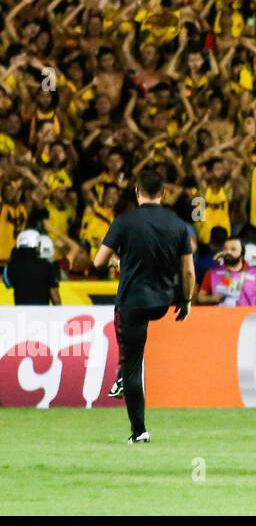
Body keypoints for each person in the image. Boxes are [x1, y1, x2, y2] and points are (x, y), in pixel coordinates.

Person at [93, 168, 194, 444]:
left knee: (133, 364)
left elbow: (98, 262)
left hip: (133, 303)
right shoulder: (178, 224)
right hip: (163, 301)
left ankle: (139, 430)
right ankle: (123, 373)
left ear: (137, 192)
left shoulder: (124, 221)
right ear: (162, 193)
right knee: (133, 359)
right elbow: (188, 272)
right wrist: (185, 301)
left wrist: (118, 260)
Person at [196, 237, 256, 307]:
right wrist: (213, 298)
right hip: (220, 318)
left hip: (246, 318)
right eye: (225, 249)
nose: (228, 252)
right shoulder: (212, 272)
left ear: (242, 253)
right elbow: (200, 297)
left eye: (233, 249)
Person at [4, 229, 61, 305]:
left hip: (21, 315)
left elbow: (8, 284)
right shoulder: (48, 266)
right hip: (42, 314)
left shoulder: (10, 267)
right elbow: (55, 298)